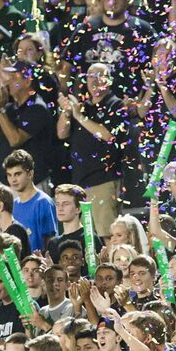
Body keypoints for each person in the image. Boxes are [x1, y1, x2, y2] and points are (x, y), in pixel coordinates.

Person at [57, 63, 129, 237]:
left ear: (109, 80)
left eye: (100, 75)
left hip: (103, 181)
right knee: (86, 238)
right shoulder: (82, 106)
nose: (95, 80)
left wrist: (79, 117)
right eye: (90, 76)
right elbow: (61, 133)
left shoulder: (116, 105)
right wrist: (67, 113)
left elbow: (107, 135)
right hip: (80, 184)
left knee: (107, 235)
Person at [0, 61, 55, 187]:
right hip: (7, 182)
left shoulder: (37, 108)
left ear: (28, 81)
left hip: (32, 184)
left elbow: (15, 140)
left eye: (14, 78)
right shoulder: (10, 108)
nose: (8, 82)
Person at [5, 149, 58, 253]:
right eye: (9, 175)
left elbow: (50, 241)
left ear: (30, 174)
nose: (13, 180)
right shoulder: (13, 205)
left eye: (17, 174)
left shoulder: (43, 202)